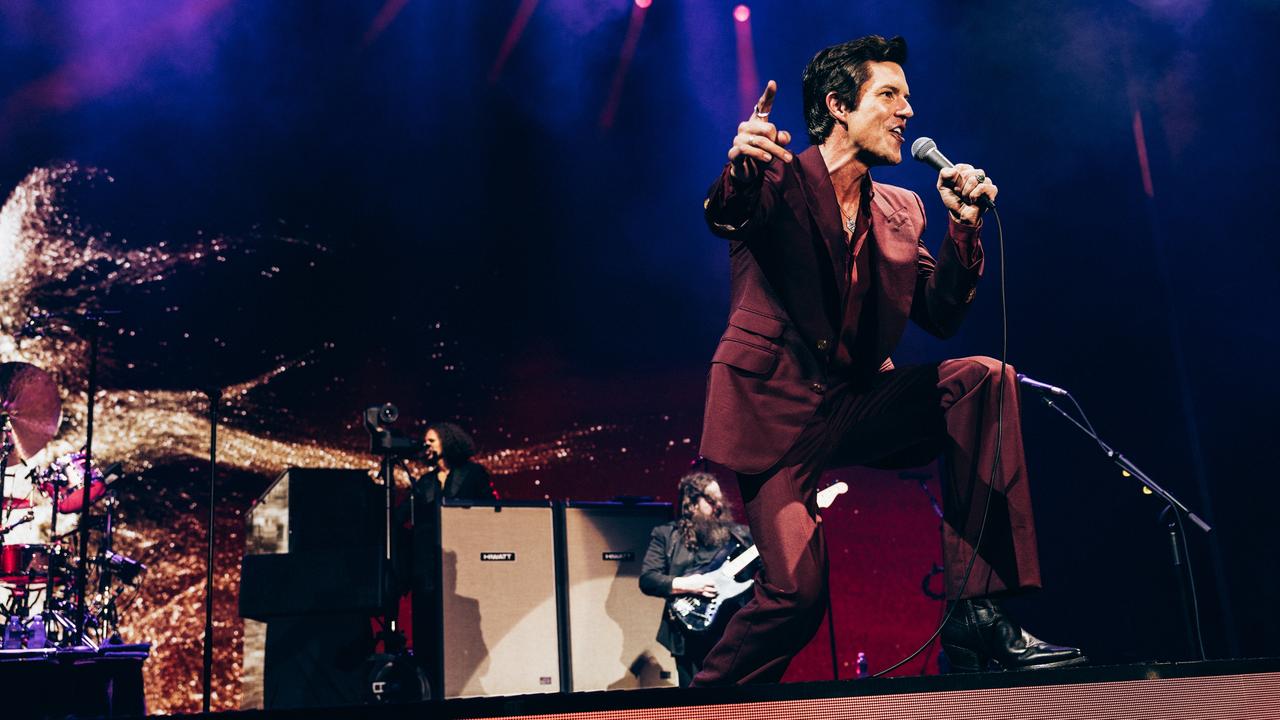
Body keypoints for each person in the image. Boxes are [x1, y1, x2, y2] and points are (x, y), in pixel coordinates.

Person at [695, 35, 1084, 684]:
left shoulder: (902, 208)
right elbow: (728, 212)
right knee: (795, 595)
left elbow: (939, 313)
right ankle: (706, 700)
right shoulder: (774, 178)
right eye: (890, 95)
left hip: (855, 404)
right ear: (837, 106)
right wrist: (741, 164)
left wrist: (963, 228)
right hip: (774, 415)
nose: (908, 110)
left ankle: (975, 613)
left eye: (908, 97)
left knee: (983, 378)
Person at [639, 472, 753, 687]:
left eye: (720, 498)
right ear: (691, 502)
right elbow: (648, 579)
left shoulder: (741, 535)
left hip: (731, 630)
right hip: (687, 632)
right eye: (711, 499)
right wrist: (689, 585)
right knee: (695, 704)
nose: (718, 505)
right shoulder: (666, 535)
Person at [419, 422, 495, 502]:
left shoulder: (473, 472)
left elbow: (489, 505)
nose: (427, 444)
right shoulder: (426, 480)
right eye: (425, 442)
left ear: (446, 441)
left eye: (431, 441)